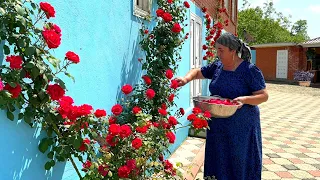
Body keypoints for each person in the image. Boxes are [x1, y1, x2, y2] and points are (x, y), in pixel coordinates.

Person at [176, 32, 269, 180]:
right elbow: (197, 72)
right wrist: (185, 79)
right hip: (218, 124)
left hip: (241, 126)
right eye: (217, 49)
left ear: (233, 51)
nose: (218, 54)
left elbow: (263, 96)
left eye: (221, 50)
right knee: (218, 159)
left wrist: (244, 99)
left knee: (238, 161)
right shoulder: (217, 67)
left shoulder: (249, 70)